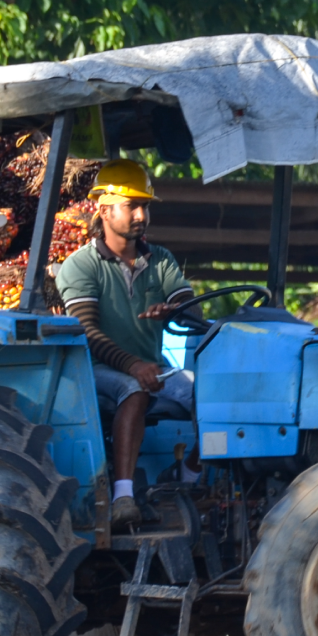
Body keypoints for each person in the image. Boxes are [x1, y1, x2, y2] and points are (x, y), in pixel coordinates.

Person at [55, 159, 197, 530]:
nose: (141, 214)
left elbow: (186, 304)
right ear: (104, 210)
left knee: (210, 392)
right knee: (134, 388)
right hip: (96, 371)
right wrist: (133, 366)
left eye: (145, 205)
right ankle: (122, 496)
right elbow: (87, 332)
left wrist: (175, 308)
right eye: (132, 205)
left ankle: (189, 473)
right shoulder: (80, 265)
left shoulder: (160, 258)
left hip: (153, 364)